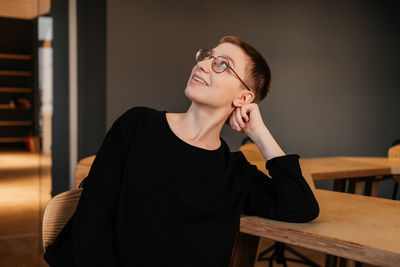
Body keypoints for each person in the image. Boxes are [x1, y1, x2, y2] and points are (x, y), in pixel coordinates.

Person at [44, 36, 319, 267]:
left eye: (222, 65)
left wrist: (259, 132)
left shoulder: (234, 173)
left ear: (243, 98)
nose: (203, 65)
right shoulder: (137, 125)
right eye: (207, 56)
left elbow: (300, 206)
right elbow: (92, 224)